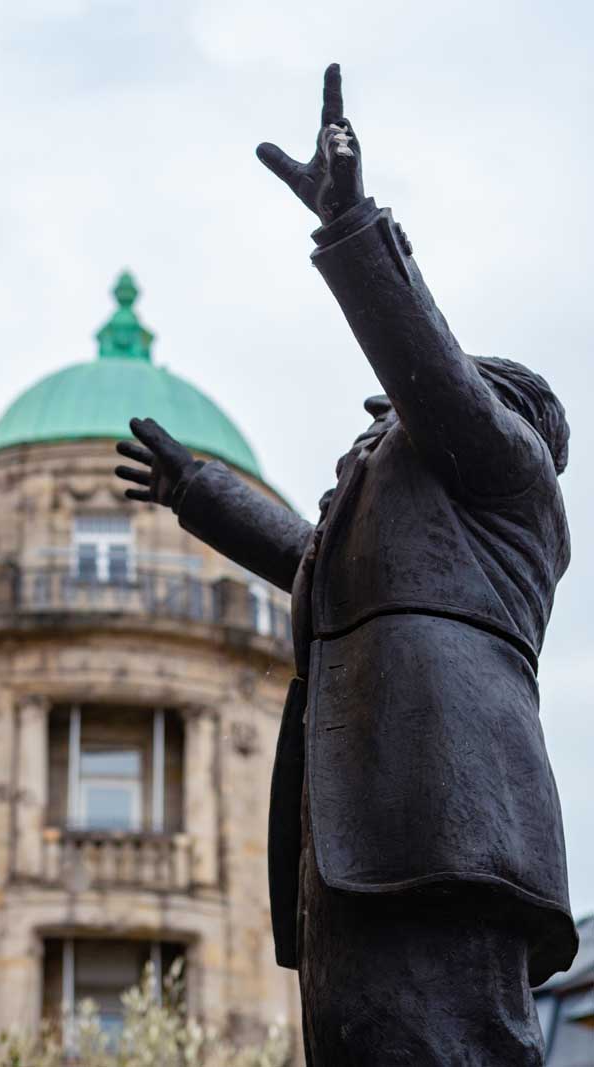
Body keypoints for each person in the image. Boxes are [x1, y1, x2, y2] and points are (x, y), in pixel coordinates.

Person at [115, 64, 576, 1066]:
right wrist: (197, 490)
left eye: (395, 420)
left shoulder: (503, 469)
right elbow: (307, 559)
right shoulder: (409, 528)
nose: (375, 426)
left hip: (443, 820)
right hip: (358, 823)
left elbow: (430, 368)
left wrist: (354, 227)